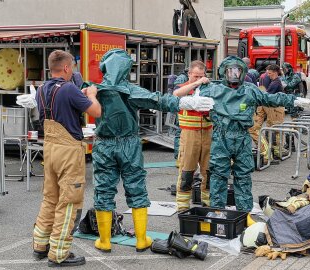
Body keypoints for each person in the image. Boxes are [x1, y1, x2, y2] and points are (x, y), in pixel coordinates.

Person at [91, 49, 213, 253]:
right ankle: (141, 239)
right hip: (129, 144)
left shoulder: (94, 89)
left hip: (104, 144)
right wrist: (185, 102)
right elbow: (159, 100)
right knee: (136, 187)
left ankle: (104, 241)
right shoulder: (130, 90)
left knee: (103, 190)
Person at [177, 56, 310, 211]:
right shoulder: (213, 89)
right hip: (220, 137)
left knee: (243, 176)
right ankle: (217, 212)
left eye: (237, 71)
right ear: (224, 72)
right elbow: (179, 96)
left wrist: (295, 100)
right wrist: (195, 89)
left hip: (242, 137)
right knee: (218, 176)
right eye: (230, 71)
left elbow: (270, 98)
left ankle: (244, 212)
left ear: (242, 72)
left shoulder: (249, 90)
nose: (234, 75)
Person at [32, 50, 102, 267]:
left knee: (50, 198)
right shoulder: (70, 88)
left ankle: (40, 245)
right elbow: (96, 112)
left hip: (50, 148)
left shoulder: (42, 89)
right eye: (72, 67)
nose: (73, 71)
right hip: (68, 150)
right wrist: (91, 94)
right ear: (65, 68)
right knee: (69, 201)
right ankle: (59, 253)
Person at [173, 60, 212, 211]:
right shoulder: (183, 87)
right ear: (189, 74)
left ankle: (207, 203)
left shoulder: (208, 89)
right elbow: (176, 94)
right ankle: (182, 207)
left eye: (201, 76)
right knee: (187, 171)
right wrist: (196, 84)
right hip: (189, 135)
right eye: (195, 76)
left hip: (208, 133)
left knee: (208, 171)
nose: (198, 79)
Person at [249, 64, 288, 160]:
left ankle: (276, 151)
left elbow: (267, 96)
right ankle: (271, 151)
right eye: (267, 73)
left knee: (275, 129)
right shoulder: (273, 82)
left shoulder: (276, 83)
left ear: (275, 73)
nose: (268, 75)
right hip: (270, 107)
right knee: (268, 128)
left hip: (275, 108)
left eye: (269, 73)